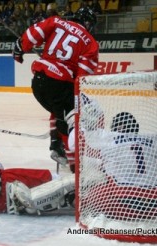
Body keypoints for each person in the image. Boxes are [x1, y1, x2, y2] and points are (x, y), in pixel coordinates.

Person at [12, 7, 99, 173]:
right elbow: (82, 79)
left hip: (38, 82)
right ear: (89, 23)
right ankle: (74, 165)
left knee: (59, 111)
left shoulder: (57, 21)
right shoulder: (91, 43)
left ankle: (55, 142)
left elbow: (32, 34)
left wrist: (20, 48)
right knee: (70, 119)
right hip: (59, 84)